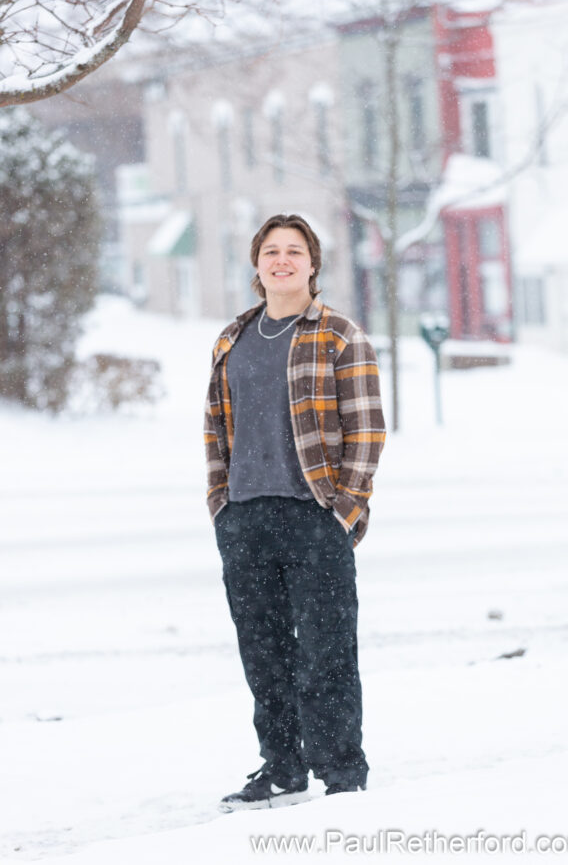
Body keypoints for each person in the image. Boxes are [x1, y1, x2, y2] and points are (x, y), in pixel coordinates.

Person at [204, 213, 386, 812]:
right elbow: (215, 430)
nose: (282, 261)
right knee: (264, 653)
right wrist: (221, 506)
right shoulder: (233, 337)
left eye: (295, 251)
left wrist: (342, 509)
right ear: (257, 264)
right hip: (246, 518)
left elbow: (367, 430)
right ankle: (282, 767)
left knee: (326, 651)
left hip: (313, 516)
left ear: (313, 264)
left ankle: (341, 772)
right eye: (271, 251)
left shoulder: (339, 335)